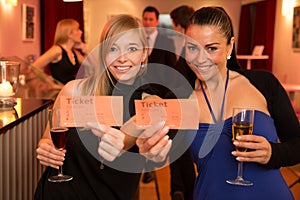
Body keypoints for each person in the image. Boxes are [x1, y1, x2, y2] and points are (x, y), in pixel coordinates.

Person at [34, 14, 172, 200]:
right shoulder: (74, 91)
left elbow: (135, 127)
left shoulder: (150, 101)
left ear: (144, 52)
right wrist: (46, 147)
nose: (122, 58)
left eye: (131, 48)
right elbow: (48, 138)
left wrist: (122, 140)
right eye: (113, 48)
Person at [181, 6, 300, 199]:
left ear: (230, 46)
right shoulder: (181, 97)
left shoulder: (264, 84)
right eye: (192, 48)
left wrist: (273, 153)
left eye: (211, 48)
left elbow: (297, 144)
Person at [29, 18, 89, 88]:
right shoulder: (57, 50)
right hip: (59, 93)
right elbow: (34, 67)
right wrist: (52, 84)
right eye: (78, 30)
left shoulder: (74, 52)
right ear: (69, 34)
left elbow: (93, 65)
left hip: (70, 91)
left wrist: (84, 48)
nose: (81, 32)